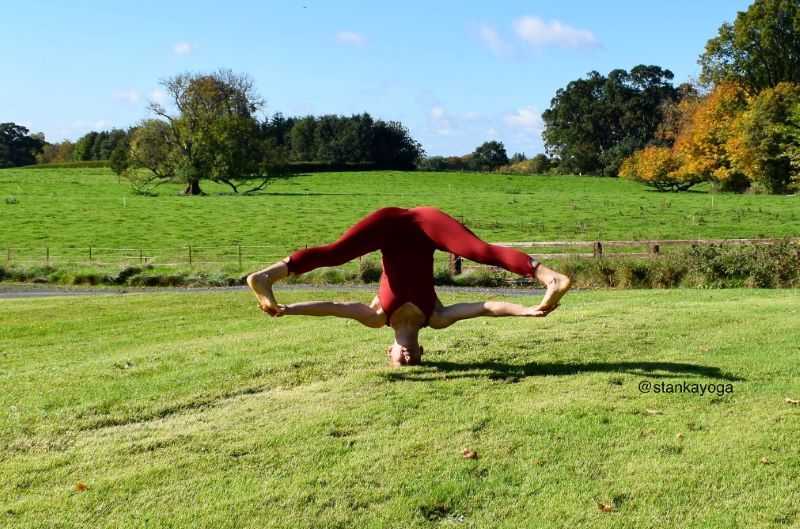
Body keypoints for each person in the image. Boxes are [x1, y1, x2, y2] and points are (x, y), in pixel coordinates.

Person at [247, 207, 571, 366]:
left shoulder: (377, 315)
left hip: (386, 226)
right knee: (478, 251)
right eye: (413, 362)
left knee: (337, 253)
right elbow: (487, 308)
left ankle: (267, 276)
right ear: (421, 351)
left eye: (398, 362)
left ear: (388, 351)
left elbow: (332, 308)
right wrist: (525, 310)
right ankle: (549, 277)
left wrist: (289, 310)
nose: (406, 360)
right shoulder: (437, 316)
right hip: (428, 226)